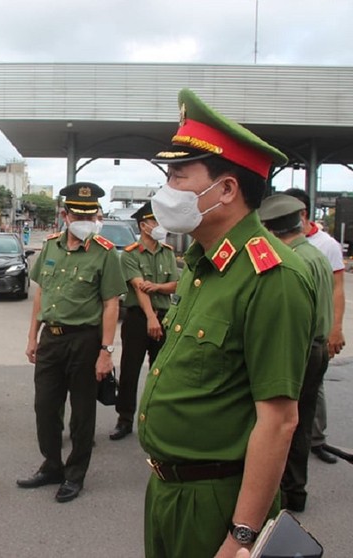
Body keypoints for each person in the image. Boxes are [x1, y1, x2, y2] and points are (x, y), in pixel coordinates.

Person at [138, 88, 316, 558]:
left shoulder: (271, 277)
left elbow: (278, 421)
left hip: (216, 503)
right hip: (169, 491)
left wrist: (242, 535)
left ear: (227, 189)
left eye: (179, 175)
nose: (166, 190)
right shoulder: (202, 262)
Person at [18, 182, 126, 504]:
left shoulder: (106, 253)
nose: (86, 220)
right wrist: (32, 335)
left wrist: (106, 352)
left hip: (85, 341)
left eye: (91, 214)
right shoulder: (50, 247)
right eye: (79, 214)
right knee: (45, 407)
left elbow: (111, 304)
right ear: (65, 215)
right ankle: (52, 465)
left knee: (82, 413)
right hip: (51, 338)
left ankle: (75, 474)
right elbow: (41, 293)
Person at [258, 194, 334, 513]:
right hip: (318, 347)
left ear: (272, 231)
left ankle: (287, 490)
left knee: (284, 422)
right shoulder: (314, 254)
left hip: (299, 350)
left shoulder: (293, 261)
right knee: (299, 423)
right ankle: (296, 490)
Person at [283, 187, 346, 465]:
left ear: (303, 213)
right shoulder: (281, 242)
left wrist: (336, 328)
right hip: (290, 334)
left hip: (314, 336)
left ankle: (315, 440)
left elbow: (337, 289)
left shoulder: (326, 244)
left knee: (312, 390)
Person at [110, 202, 178, 441]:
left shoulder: (167, 252)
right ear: (144, 226)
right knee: (130, 370)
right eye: (156, 222)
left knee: (162, 372)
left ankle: (158, 419)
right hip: (139, 318)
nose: (160, 226)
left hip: (165, 317)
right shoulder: (129, 255)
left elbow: (176, 284)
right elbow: (139, 287)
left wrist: (158, 286)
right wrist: (151, 318)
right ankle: (125, 419)